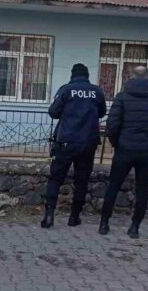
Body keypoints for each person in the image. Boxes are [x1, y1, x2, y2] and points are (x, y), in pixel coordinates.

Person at [99, 66, 148, 238]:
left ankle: (104, 224)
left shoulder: (122, 98)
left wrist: (117, 143)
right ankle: (134, 227)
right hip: (147, 152)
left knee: (114, 185)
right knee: (142, 189)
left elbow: (112, 125)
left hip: (124, 149)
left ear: (131, 77)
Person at [41, 63, 107, 228]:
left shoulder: (66, 90)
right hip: (88, 142)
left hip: (66, 141)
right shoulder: (97, 91)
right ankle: (74, 217)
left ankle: (49, 216)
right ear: (87, 75)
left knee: (55, 178)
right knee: (82, 180)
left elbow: (53, 112)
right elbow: (102, 112)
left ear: (72, 75)